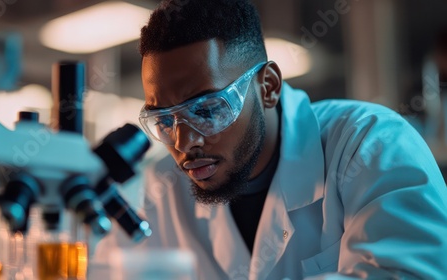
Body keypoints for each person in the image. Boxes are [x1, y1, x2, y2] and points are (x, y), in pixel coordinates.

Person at [95, 0, 447, 279]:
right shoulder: (163, 187)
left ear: (268, 87)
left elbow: (408, 272)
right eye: (165, 120)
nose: (184, 143)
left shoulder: (368, 144)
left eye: (207, 110)